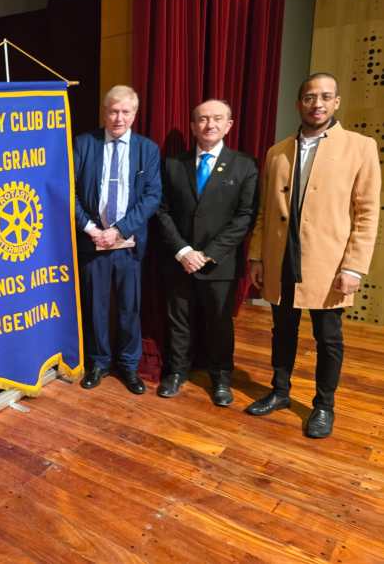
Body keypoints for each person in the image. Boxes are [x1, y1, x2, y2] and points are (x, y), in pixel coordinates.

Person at [247, 72, 381, 438]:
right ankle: (280, 391)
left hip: (329, 261)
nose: (317, 104)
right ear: (299, 103)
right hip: (281, 256)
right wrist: (257, 256)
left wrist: (354, 266)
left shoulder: (360, 147)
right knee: (282, 329)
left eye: (325, 97)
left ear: (336, 102)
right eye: (309, 97)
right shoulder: (277, 151)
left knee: (328, 336)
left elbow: (367, 212)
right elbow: (263, 210)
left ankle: (324, 405)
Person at [156, 99, 259, 405]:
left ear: (229, 125)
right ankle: (176, 372)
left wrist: (209, 253)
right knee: (178, 320)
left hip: (220, 264)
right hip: (179, 261)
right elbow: (162, 212)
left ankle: (221, 378)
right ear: (192, 126)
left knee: (219, 323)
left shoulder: (245, 165)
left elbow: (245, 216)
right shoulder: (173, 164)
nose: (209, 124)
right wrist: (184, 250)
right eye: (202, 119)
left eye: (217, 119)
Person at [74, 85, 162, 393]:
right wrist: (89, 227)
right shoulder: (84, 144)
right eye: (113, 111)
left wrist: (121, 229)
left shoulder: (147, 150)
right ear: (104, 111)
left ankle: (128, 365)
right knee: (95, 308)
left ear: (135, 114)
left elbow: (152, 197)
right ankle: (98, 362)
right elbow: (68, 192)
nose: (118, 117)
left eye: (125, 111)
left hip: (129, 245)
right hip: (92, 241)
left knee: (129, 308)